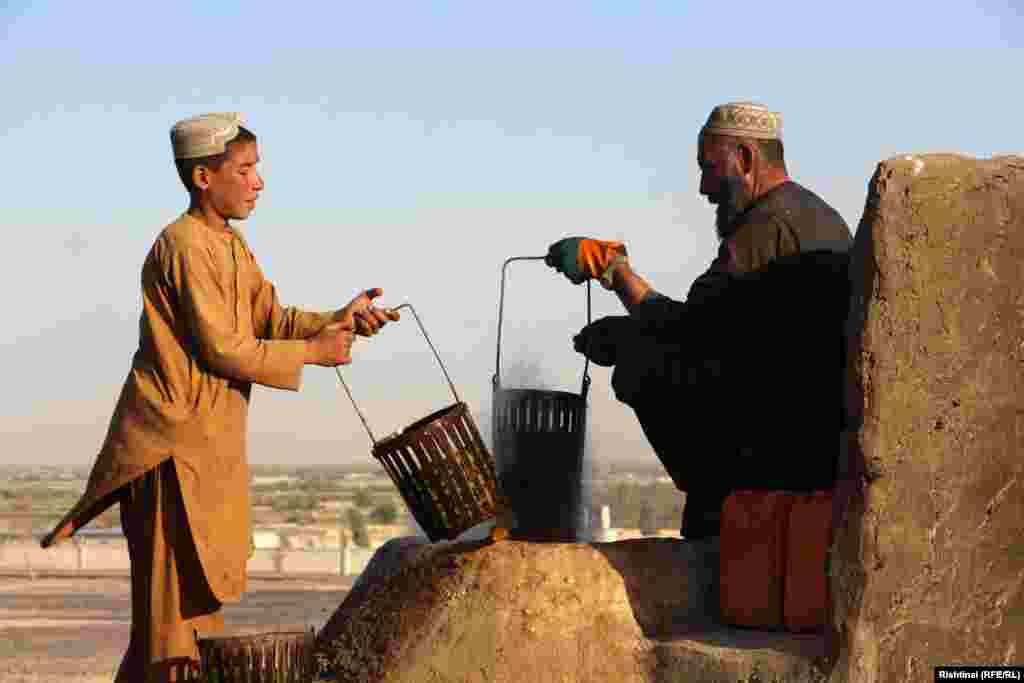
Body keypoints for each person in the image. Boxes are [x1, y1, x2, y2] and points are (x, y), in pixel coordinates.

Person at [40, 112, 400, 681]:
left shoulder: (230, 246)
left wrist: (341, 319)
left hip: (207, 452)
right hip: (170, 456)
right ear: (204, 177)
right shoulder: (182, 245)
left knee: (190, 630)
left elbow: (272, 319)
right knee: (170, 636)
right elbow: (223, 349)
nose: (260, 182)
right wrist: (313, 353)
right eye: (247, 169)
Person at [546, 102, 853, 539]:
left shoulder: (765, 229)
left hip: (777, 451)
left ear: (745, 159)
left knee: (641, 360)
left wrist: (617, 278)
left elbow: (690, 333)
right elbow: (720, 330)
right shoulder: (818, 216)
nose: (704, 188)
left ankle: (716, 500)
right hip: (813, 439)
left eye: (709, 169)